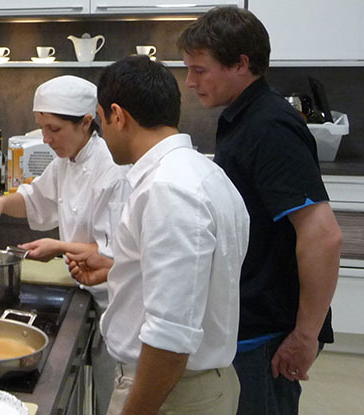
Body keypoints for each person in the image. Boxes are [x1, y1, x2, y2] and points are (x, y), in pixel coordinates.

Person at [177, 7, 342, 415]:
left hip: (268, 335)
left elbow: (323, 236)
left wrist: (305, 336)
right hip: (247, 325)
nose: (190, 82)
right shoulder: (241, 117)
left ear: (241, 64)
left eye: (200, 70)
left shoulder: (270, 126)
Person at [68, 55, 250, 415]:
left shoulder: (170, 189)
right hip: (183, 386)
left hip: (171, 394)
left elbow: (170, 337)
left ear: (117, 116)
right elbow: (194, 282)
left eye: (101, 122)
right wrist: (120, 268)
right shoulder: (198, 172)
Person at [0, 74, 131, 415]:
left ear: (87, 122)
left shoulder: (111, 171)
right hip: (86, 292)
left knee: (111, 402)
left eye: (54, 129)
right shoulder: (66, 160)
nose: (46, 139)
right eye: (42, 128)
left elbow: (113, 256)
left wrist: (58, 248)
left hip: (115, 308)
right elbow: (35, 199)